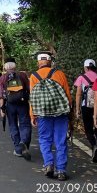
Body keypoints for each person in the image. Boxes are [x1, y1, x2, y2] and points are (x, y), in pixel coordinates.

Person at [30, 53, 72, 181]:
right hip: (60, 112)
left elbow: (32, 97)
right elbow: (67, 95)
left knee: (44, 139)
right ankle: (61, 170)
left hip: (43, 113)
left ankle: (48, 164)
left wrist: (33, 115)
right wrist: (69, 112)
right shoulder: (59, 74)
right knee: (60, 141)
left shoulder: (34, 76)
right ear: (50, 62)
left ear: (38, 63)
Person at [0, 58, 32, 160]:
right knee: (25, 124)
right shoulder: (22, 75)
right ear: (15, 65)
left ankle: (18, 149)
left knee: (13, 125)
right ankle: (24, 141)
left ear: (5, 67)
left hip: (10, 105)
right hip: (22, 104)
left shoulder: (3, 78)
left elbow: (1, 95)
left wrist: (1, 109)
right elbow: (29, 89)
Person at [73, 59, 97, 163]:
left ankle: (94, 146)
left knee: (88, 129)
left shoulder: (81, 78)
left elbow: (78, 94)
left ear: (85, 67)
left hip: (86, 106)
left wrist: (77, 109)